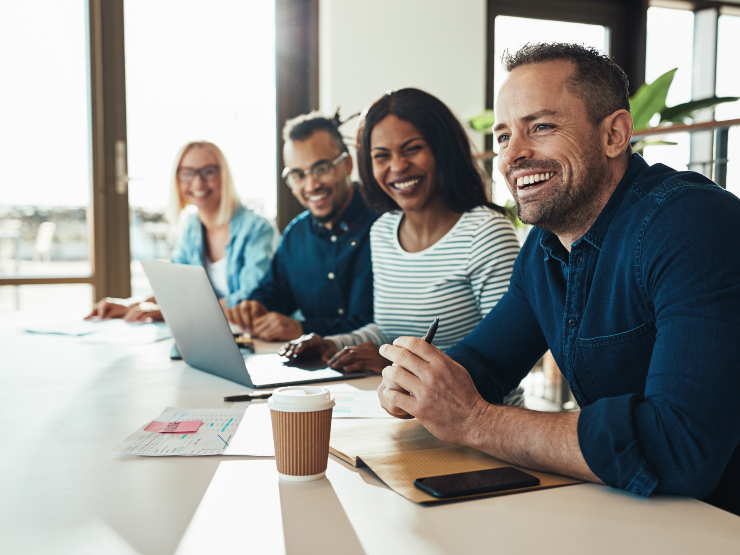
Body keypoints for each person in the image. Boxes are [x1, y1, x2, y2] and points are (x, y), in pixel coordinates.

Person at [376, 43, 740, 515]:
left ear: (614, 134)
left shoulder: (692, 224)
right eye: (504, 136)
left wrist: (474, 420)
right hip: (632, 513)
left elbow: (679, 447)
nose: (513, 156)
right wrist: (422, 382)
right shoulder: (545, 247)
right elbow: (485, 361)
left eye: (542, 127)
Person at [279, 90, 521, 402]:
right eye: (382, 156)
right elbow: (386, 330)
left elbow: (504, 357)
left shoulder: (485, 232)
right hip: (406, 415)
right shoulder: (383, 231)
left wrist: (397, 366)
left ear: (441, 150)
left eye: (413, 149)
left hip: (480, 424)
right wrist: (332, 344)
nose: (398, 166)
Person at [221, 112, 379, 341]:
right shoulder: (296, 234)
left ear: (347, 164)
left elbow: (385, 325)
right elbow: (275, 292)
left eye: (322, 169)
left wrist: (304, 329)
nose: (311, 185)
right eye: (297, 175)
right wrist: (255, 307)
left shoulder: (386, 225)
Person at [85, 141, 278, 322]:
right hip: (212, 333)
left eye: (208, 172)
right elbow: (175, 287)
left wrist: (170, 312)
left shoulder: (257, 228)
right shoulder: (192, 227)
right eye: (187, 173)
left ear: (224, 175)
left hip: (257, 335)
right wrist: (130, 305)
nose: (198, 183)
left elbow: (251, 302)